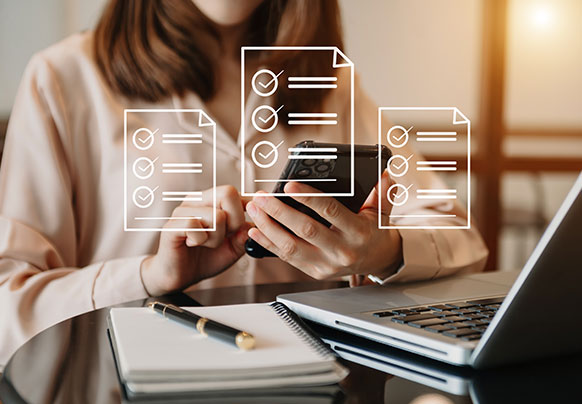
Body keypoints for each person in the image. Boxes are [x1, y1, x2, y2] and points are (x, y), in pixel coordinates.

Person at [0, 0, 488, 366]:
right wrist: (149, 276)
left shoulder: (332, 82)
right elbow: (9, 303)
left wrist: (381, 250)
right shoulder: (62, 78)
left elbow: (461, 240)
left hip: (311, 384)